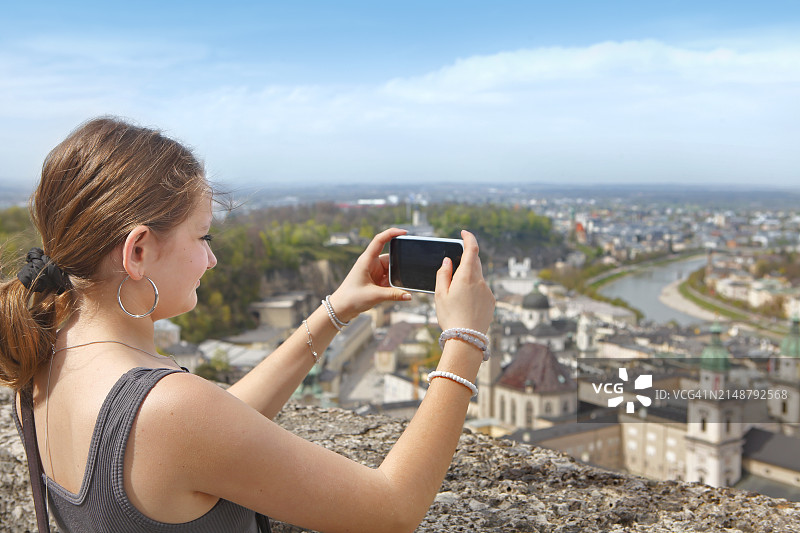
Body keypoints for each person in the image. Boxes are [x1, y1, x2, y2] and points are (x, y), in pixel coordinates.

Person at [0, 117, 495, 533]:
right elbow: (390, 511)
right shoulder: (166, 409)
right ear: (138, 251)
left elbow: (219, 431)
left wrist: (335, 311)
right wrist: (464, 338)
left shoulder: (46, 353)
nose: (211, 259)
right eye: (202, 235)